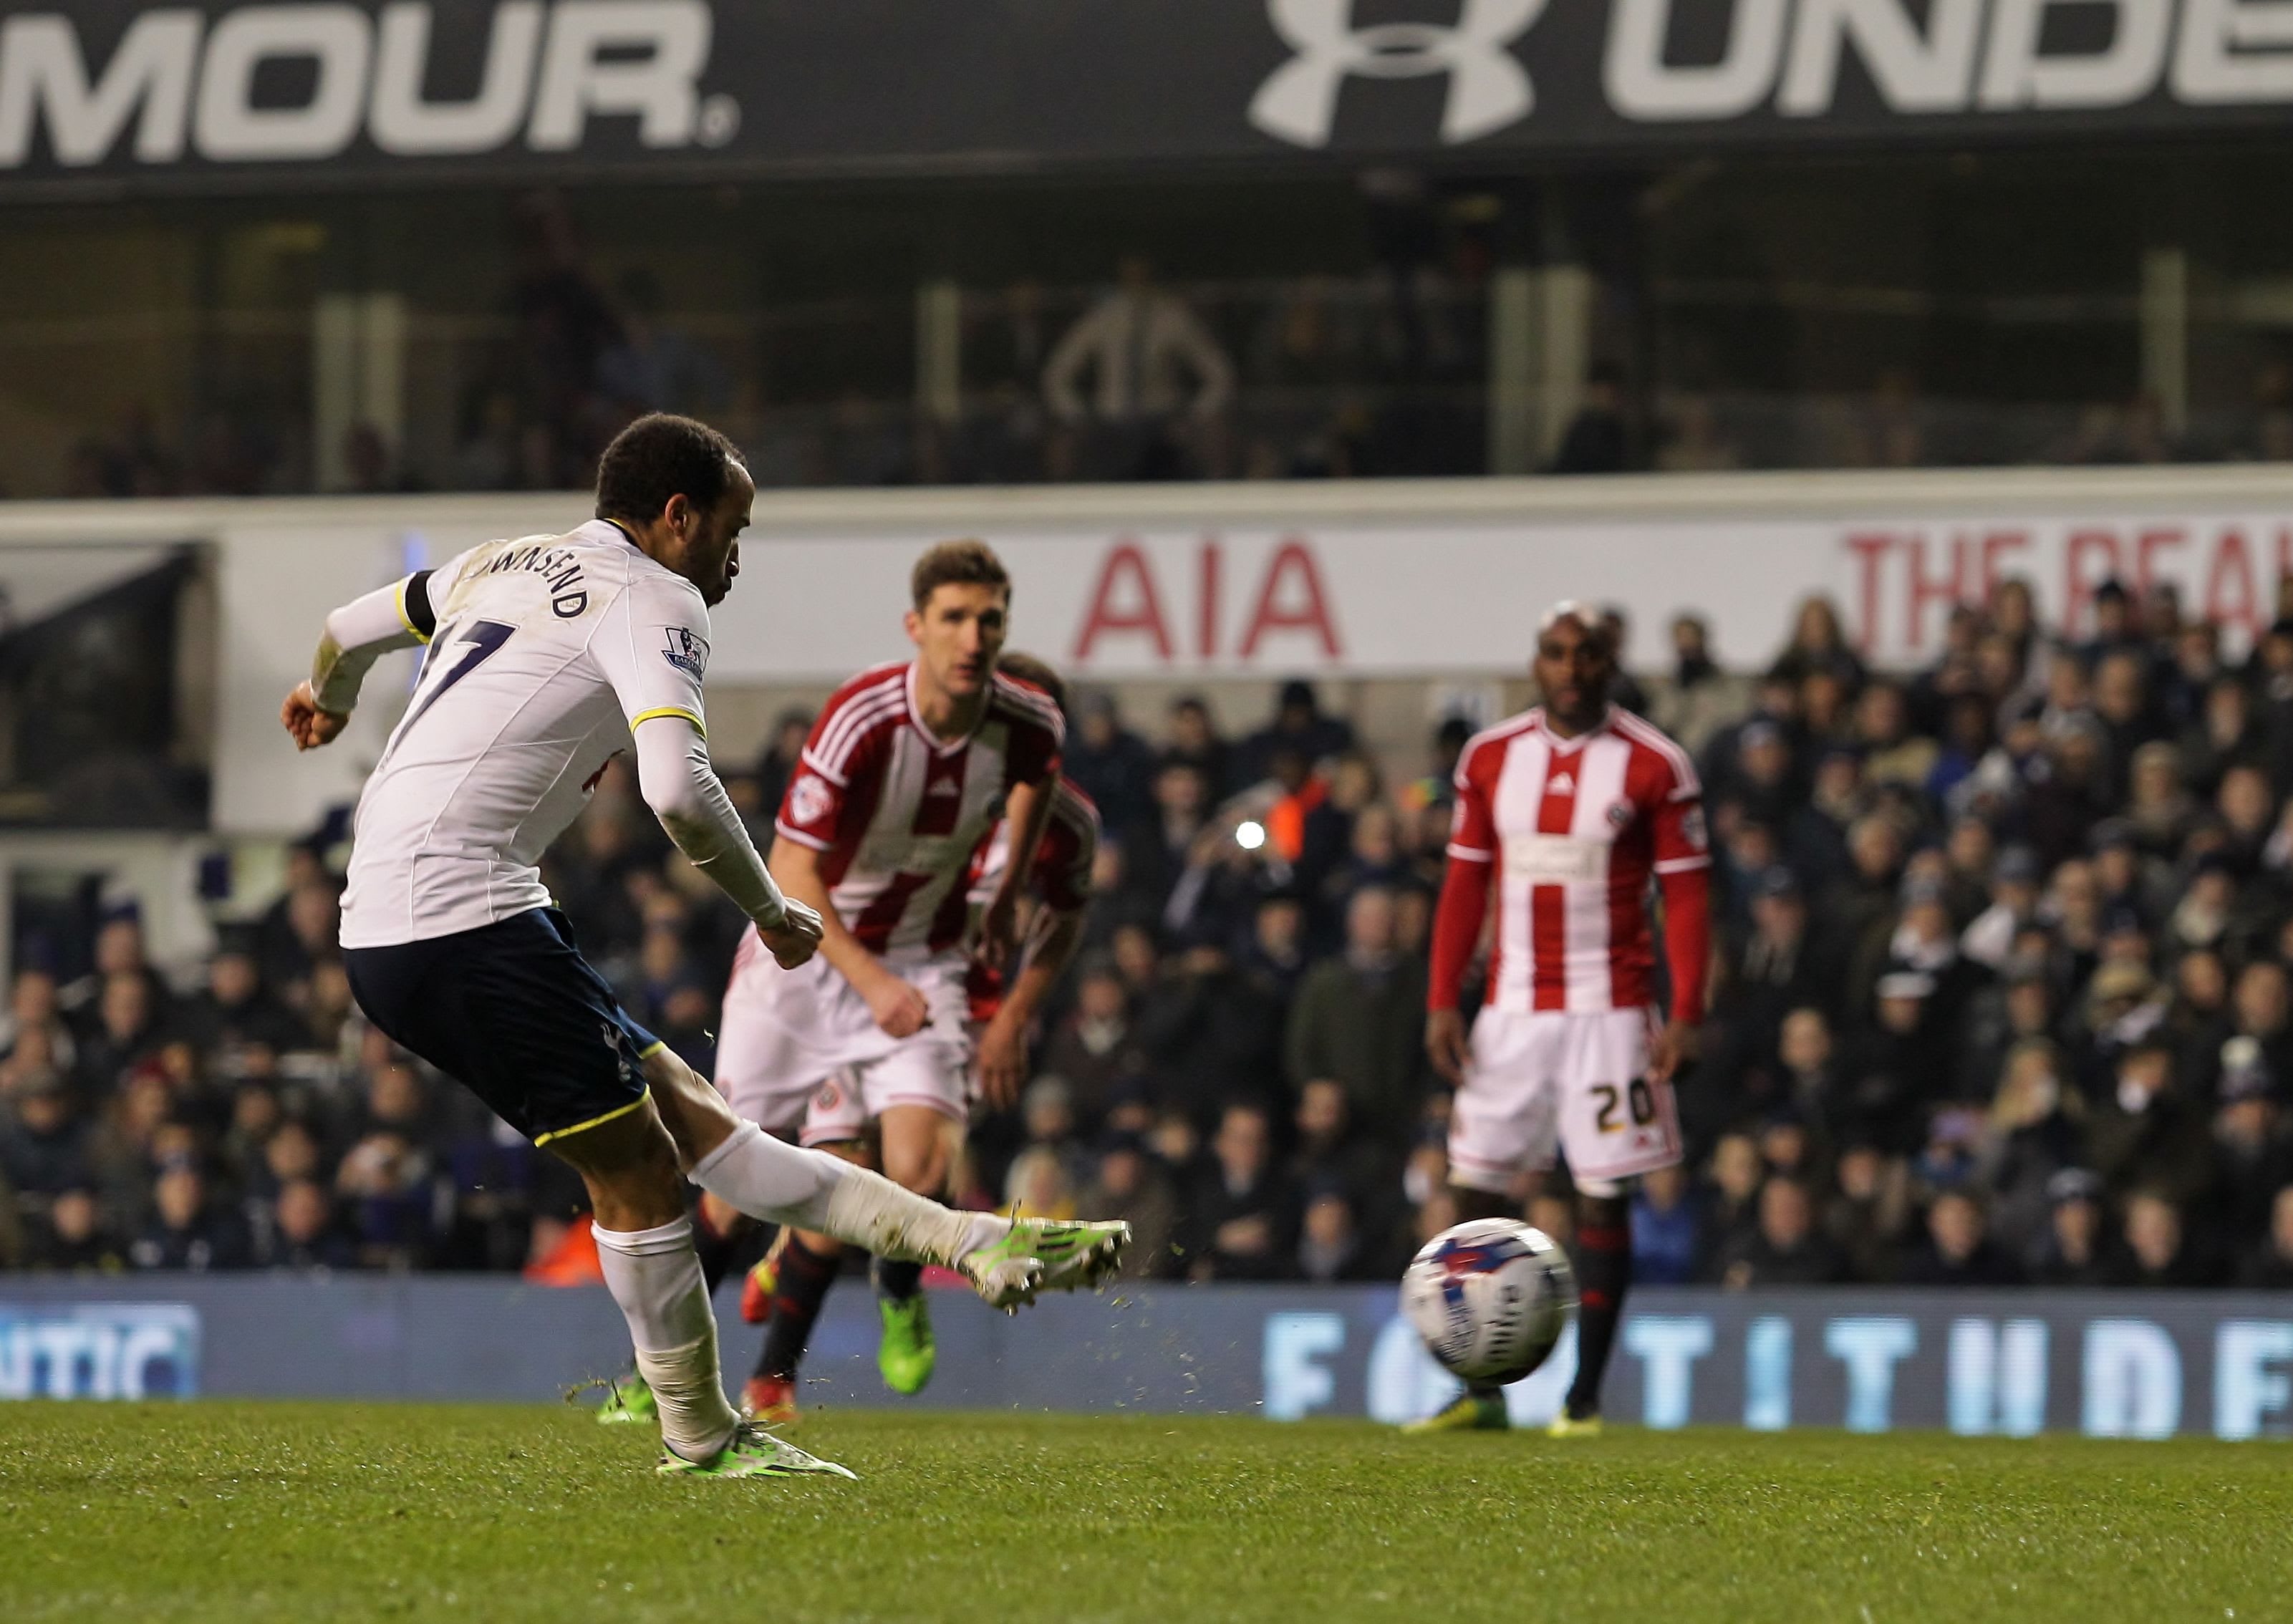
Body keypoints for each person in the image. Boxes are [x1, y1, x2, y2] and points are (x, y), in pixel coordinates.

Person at [282, 413, 1124, 1479]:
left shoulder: (499, 562)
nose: (736, 555)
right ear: (678, 518)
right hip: (455, 918)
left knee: (708, 1136)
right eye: (734, 529)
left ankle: (969, 1243)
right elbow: (678, 790)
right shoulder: (655, 596)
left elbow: (345, 629)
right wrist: (770, 909)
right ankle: (700, 1436)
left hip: (428, 912)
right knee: (639, 1172)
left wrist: (326, 698)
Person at [709, 540, 1119, 1426]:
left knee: (914, 1171)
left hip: (943, 995)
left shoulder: (1060, 821)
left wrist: (1013, 1016)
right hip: (855, 972)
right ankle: (770, 1378)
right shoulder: (907, 758)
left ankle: (888, 1290)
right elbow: (808, 857)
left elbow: (1063, 920)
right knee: (837, 1178)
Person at [1409, 603, 1711, 1437]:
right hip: (1511, 1011)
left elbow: (1688, 896)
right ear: (1536, 662)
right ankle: (1480, 1390)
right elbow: (1464, 884)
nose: (1571, 668)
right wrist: (1442, 999)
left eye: (1586, 654)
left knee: (1603, 1198)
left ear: (1609, 662)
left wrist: (1687, 1010)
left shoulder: (1655, 764)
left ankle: (1583, 1401)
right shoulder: (1490, 758)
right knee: (1474, 1186)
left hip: (1611, 1015)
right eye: (1556, 653)